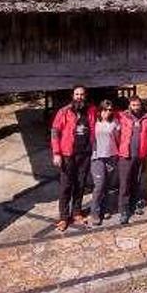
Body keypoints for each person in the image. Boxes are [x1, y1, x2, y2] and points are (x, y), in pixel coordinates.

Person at [50, 86, 97, 232]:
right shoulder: (63, 112)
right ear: (73, 95)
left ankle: (76, 212)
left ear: (85, 96)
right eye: (77, 94)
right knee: (66, 185)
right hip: (67, 154)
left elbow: (107, 114)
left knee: (80, 184)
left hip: (84, 154)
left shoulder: (91, 110)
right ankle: (64, 217)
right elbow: (55, 132)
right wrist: (56, 153)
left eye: (82, 94)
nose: (79, 97)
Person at [117, 96, 147, 224]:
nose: (136, 107)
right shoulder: (122, 116)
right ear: (130, 105)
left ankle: (134, 204)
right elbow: (115, 132)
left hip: (140, 155)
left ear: (141, 105)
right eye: (133, 105)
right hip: (125, 155)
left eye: (138, 105)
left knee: (136, 181)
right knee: (125, 184)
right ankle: (123, 210)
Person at [89, 100, 119, 226]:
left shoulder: (114, 123)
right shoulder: (94, 123)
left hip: (111, 156)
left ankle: (105, 208)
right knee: (99, 185)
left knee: (107, 185)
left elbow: (118, 138)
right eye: (105, 109)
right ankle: (94, 212)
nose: (107, 112)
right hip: (97, 157)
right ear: (100, 110)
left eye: (110, 109)